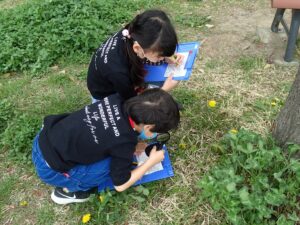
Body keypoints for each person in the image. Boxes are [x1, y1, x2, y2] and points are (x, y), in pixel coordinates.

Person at [32, 88, 180, 205]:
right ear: (148, 127)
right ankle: (68, 192)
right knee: (110, 165)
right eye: (158, 132)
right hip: (50, 169)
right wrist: (150, 162)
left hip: (42, 139)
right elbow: (120, 185)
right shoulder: (124, 143)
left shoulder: (116, 99)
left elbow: (106, 131)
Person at [87, 9, 183, 103]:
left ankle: (155, 97)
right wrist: (163, 91)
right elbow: (134, 104)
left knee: (159, 68)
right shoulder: (118, 72)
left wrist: (166, 55)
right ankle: (157, 99)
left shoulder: (133, 32)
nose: (161, 58)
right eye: (159, 56)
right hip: (107, 97)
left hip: (122, 81)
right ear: (137, 48)